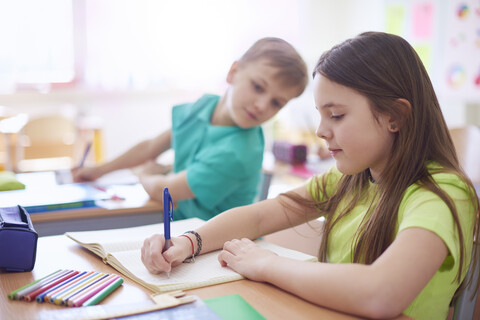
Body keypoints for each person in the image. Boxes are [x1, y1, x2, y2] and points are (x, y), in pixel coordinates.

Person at [140, 31, 480, 320]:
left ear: (394, 116)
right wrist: (188, 242)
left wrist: (267, 264)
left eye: (336, 115)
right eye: (321, 115)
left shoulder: (442, 194)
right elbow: (260, 217)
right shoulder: (350, 178)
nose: (320, 131)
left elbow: (382, 293)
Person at [72, 37, 308, 220]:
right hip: (181, 227)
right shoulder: (204, 106)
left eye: (276, 103)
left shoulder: (239, 152)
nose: (262, 105)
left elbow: (167, 192)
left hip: (215, 249)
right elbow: (151, 147)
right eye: (258, 87)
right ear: (233, 73)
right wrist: (99, 170)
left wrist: (145, 174)